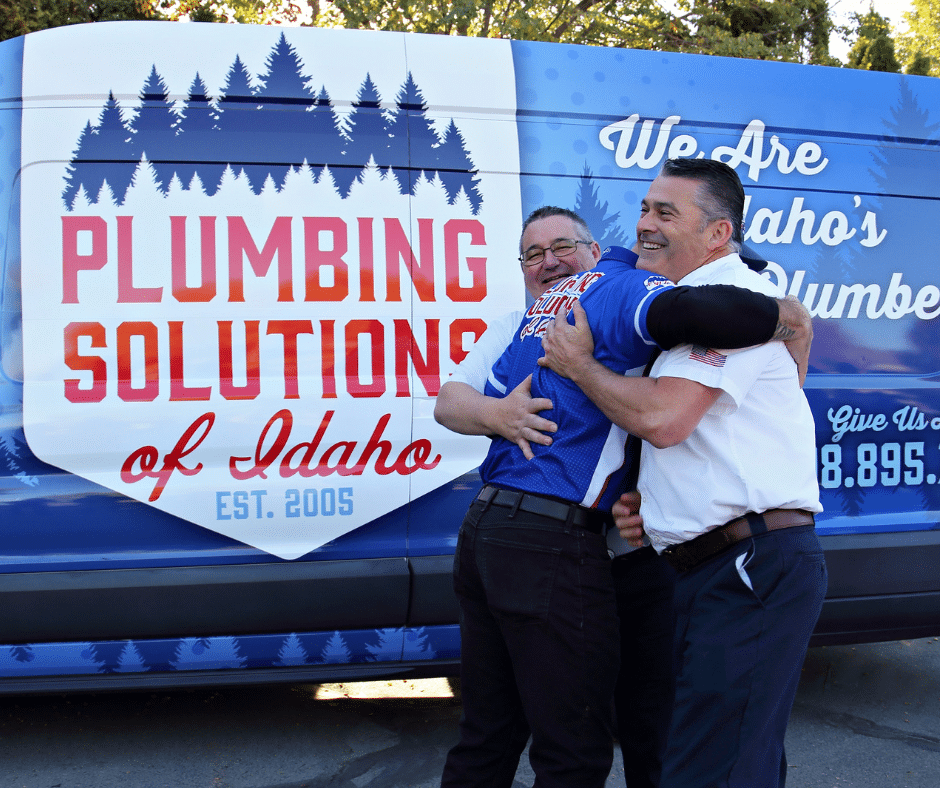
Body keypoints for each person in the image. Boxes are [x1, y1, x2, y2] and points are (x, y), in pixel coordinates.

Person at [437, 205, 813, 788]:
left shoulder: (560, 312)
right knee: (574, 748)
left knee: (500, 731)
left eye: (562, 246)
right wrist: (784, 315)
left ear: (593, 252)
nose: (549, 262)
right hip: (553, 543)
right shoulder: (604, 297)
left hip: (529, 538)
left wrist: (637, 487)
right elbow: (693, 318)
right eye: (533, 255)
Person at [538, 160, 825, 788]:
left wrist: (581, 366)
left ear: (718, 233)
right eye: (644, 209)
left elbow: (666, 418)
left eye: (665, 213)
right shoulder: (694, 310)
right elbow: (700, 437)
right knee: (729, 761)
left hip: (748, 566)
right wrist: (652, 498)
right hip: (711, 569)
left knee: (709, 770)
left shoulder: (739, 310)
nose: (645, 225)